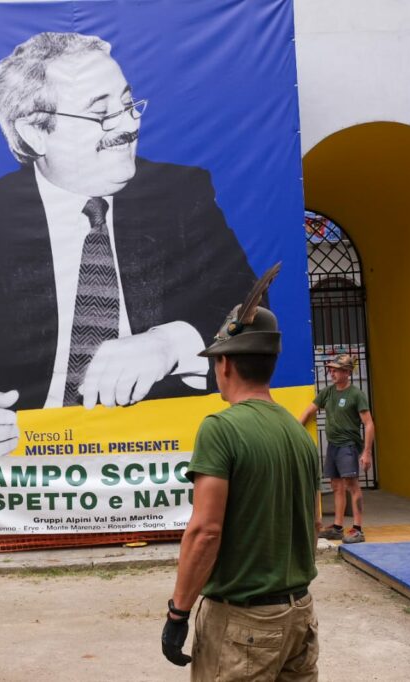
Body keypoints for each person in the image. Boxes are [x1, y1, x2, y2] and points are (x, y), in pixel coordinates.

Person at [0, 31, 257, 456]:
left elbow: (250, 310)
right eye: (102, 114)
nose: (129, 124)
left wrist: (171, 342)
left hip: (162, 455)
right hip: (33, 475)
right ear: (36, 133)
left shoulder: (180, 194)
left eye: (128, 104)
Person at [162, 269, 322, 680]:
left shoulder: (221, 428)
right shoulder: (297, 431)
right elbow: (316, 521)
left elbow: (205, 532)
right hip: (299, 615)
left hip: (244, 625)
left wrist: (178, 611)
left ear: (226, 363)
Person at [299, 353, 374, 544]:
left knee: (351, 485)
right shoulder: (328, 392)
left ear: (347, 372)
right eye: (331, 369)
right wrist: (296, 429)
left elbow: (369, 423)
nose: (332, 373)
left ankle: (357, 529)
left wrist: (366, 452)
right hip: (333, 446)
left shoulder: (356, 395)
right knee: (336, 485)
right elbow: (309, 410)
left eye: (337, 370)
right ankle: (338, 527)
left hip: (348, 446)